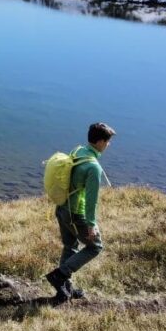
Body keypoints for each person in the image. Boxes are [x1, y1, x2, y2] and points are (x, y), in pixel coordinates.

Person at [45, 123, 116, 302]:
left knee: (70, 246)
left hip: (62, 208)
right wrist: (91, 225)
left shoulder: (78, 151)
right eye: (108, 142)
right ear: (100, 142)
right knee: (95, 247)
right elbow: (92, 201)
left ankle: (64, 289)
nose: (109, 145)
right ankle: (60, 275)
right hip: (76, 214)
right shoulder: (93, 168)